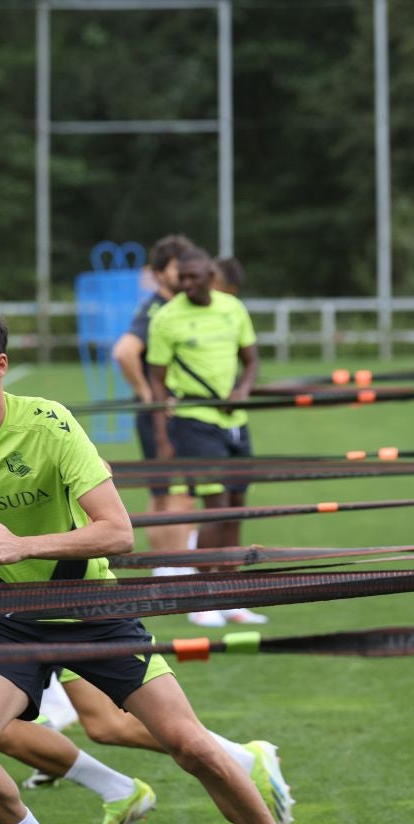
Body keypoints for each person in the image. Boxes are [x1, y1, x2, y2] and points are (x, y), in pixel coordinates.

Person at [0, 311, 330, 824]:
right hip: (9, 622)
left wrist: (24, 545)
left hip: (92, 609)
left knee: (193, 749)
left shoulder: (49, 425)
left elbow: (118, 533)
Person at [146, 248, 266, 627]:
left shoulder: (233, 309)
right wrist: (163, 436)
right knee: (215, 505)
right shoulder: (167, 318)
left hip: (234, 419)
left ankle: (231, 597)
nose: (186, 284)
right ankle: (201, 597)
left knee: (237, 505)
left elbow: (251, 360)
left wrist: (243, 390)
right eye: (181, 278)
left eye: (194, 277)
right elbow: (157, 380)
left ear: (211, 275)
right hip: (193, 419)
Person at [110, 235, 198, 579]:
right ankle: (178, 568)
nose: (188, 274)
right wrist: (149, 394)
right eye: (180, 268)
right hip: (166, 417)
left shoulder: (163, 306)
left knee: (162, 492)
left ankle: (165, 567)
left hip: (158, 416)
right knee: (181, 493)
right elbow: (124, 351)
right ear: (161, 273)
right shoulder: (160, 309)